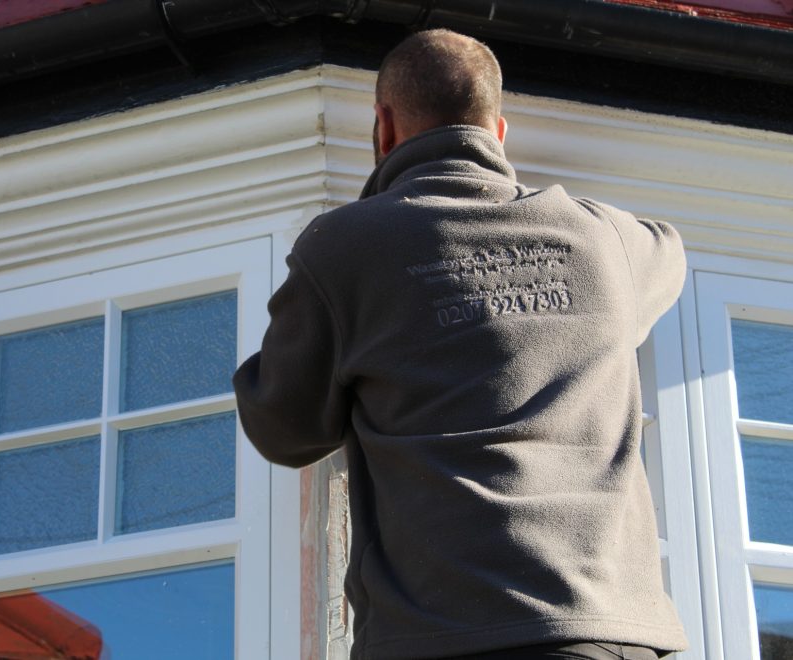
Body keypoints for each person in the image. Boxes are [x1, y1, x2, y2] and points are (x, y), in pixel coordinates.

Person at [232, 29, 688, 660]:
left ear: (384, 127)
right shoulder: (606, 240)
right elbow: (669, 246)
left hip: (442, 636)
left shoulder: (346, 249)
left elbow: (283, 427)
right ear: (498, 133)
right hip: (610, 633)